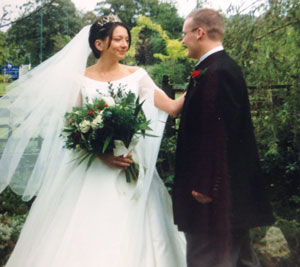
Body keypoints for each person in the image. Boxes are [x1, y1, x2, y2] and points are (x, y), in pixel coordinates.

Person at [0, 15, 186, 267]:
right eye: (118, 39)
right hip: (90, 166)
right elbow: (71, 126)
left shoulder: (137, 76)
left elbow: (172, 107)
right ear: (99, 44)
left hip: (128, 165)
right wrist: (101, 153)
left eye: (127, 40)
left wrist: (199, 79)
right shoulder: (79, 79)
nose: (124, 44)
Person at [172, 8, 275, 267]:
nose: (182, 40)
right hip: (225, 195)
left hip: (212, 200)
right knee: (239, 260)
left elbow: (220, 134)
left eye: (184, 34)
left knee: (207, 259)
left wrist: (209, 186)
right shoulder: (217, 68)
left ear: (200, 33)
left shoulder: (218, 72)